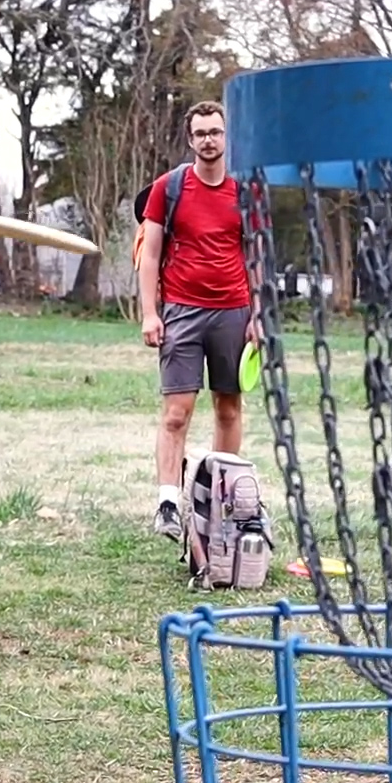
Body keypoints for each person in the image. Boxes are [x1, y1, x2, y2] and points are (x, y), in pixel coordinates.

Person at [136, 100, 256, 541]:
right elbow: (149, 255)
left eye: (216, 132)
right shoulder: (168, 188)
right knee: (175, 413)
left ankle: (222, 502)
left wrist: (258, 317)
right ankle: (168, 503)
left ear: (227, 138)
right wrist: (151, 313)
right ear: (191, 140)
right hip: (182, 311)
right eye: (201, 133)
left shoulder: (246, 191)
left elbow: (258, 257)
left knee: (228, 407)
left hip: (234, 312)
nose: (209, 139)